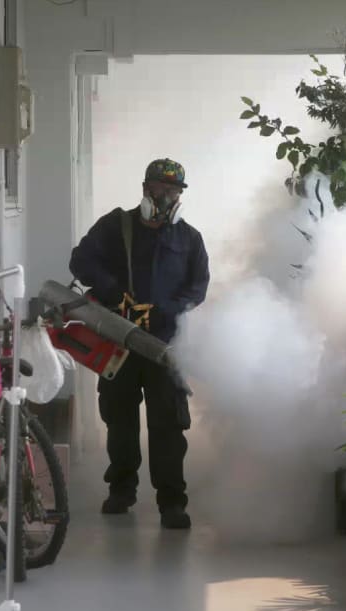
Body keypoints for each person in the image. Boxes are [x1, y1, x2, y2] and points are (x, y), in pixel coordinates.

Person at [69, 158, 209, 528]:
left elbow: (198, 287)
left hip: (164, 347)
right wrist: (115, 292)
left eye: (173, 191)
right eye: (159, 189)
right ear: (145, 189)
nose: (165, 197)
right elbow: (80, 261)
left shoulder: (189, 239)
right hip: (119, 341)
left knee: (168, 426)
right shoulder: (115, 227)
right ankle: (121, 490)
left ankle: (172, 502)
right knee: (120, 421)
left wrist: (168, 309)